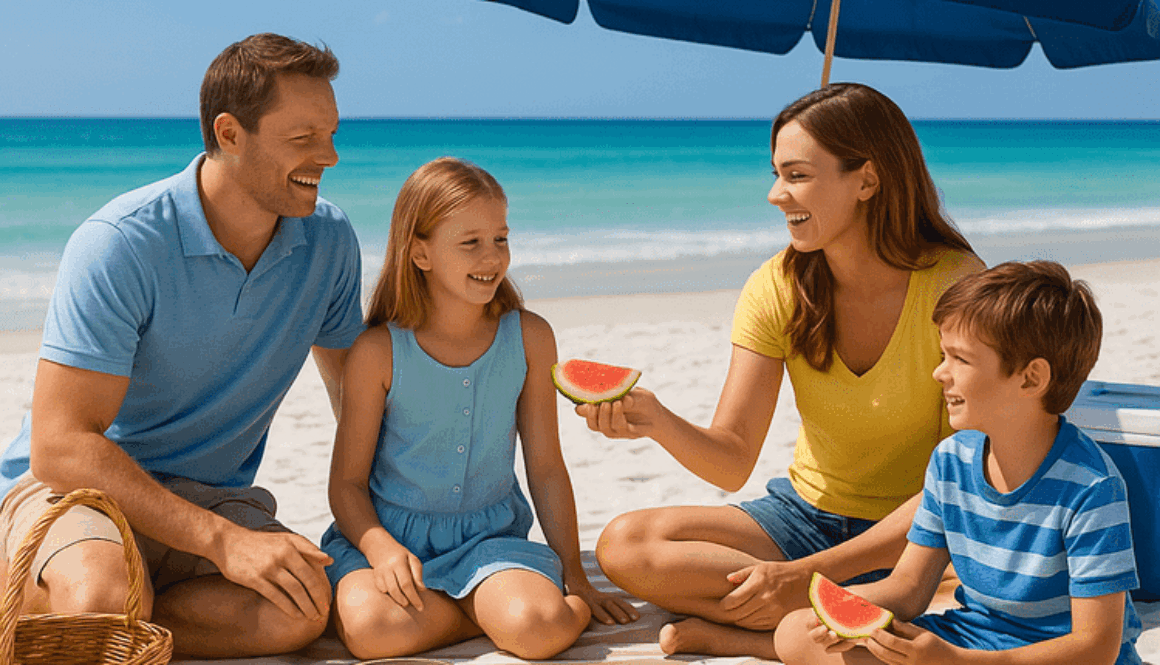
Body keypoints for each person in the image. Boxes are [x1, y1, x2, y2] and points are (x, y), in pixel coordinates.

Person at [584, 83, 985, 658]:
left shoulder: (957, 287)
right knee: (626, 544)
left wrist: (803, 577)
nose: (776, 195)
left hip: (920, 528)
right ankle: (825, 613)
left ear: (867, 181)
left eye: (797, 175)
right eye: (775, 174)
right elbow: (731, 457)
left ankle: (752, 633)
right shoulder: (777, 286)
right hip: (804, 516)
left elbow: (961, 482)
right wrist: (656, 420)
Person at [0, 34, 363, 659]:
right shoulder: (122, 242)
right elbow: (60, 446)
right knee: (100, 598)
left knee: (302, 610)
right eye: (303, 139)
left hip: (209, 496)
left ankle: (118, 625)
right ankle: (80, 606)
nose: (328, 156)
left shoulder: (327, 241)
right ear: (229, 133)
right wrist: (224, 543)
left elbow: (358, 397)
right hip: (77, 489)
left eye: (331, 133)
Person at [321, 157, 638, 661]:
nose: (491, 257)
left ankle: (483, 612)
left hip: (489, 542)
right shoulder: (377, 352)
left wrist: (574, 578)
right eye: (470, 243)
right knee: (370, 629)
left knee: (540, 627)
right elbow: (347, 484)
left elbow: (547, 468)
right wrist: (380, 548)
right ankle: (481, 615)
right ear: (420, 253)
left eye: (501, 239)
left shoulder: (530, 337)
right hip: (387, 539)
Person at [775, 260, 1141, 665]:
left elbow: (1096, 648)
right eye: (942, 355)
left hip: (1053, 657)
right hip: (970, 637)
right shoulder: (951, 461)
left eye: (959, 359)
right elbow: (909, 589)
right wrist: (836, 616)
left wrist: (958, 663)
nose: (939, 373)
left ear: (1030, 379)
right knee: (795, 632)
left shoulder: (1092, 487)